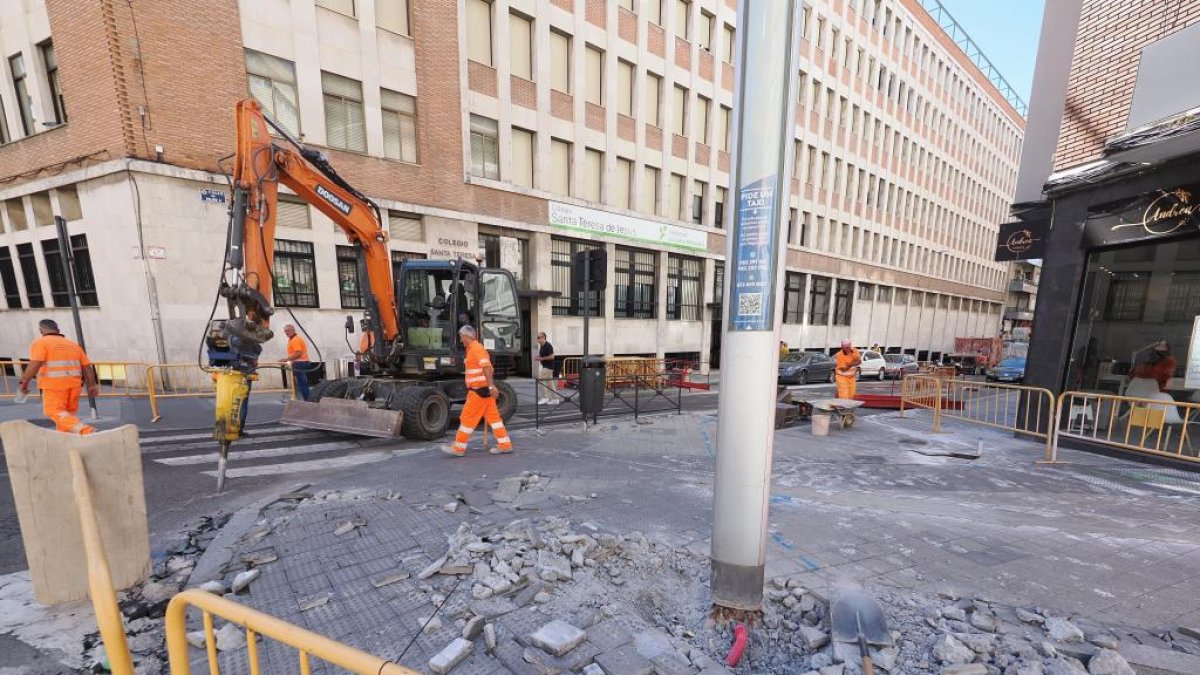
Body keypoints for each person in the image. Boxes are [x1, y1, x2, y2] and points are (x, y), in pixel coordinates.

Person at [18, 319, 97, 435]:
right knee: (65, 416)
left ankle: (87, 431)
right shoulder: (73, 345)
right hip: (74, 387)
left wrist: (24, 383)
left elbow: (35, 364)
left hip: (54, 386)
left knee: (53, 411)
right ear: (58, 330)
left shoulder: (41, 343)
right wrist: (92, 386)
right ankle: (66, 440)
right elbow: (87, 368)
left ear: (41, 330)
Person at [445, 325, 512, 456]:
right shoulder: (473, 349)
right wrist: (490, 387)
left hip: (478, 392)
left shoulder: (476, 349)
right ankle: (505, 445)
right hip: (483, 391)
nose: (460, 340)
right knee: (494, 419)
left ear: (467, 336)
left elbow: (486, 367)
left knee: (467, 418)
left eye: (461, 337)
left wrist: (491, 386)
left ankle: (458, 448)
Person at [283, 325, 311, 401]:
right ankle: (303, 399)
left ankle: (307, 400)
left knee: (302, 384)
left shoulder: (295, 340)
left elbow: (298, 353)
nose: (286, 332)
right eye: (285, 331)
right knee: (299, 383)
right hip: (298, 363)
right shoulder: (292, 340)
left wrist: (285, 359)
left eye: (288, 330)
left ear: (293, 330)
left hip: (300, 364)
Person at [534, 332, 558, 404]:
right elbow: (543, 355)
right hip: (546, 367)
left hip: (548, 367)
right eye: (537, 337)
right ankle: (555, 399)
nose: (537, 339)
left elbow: (552, 357)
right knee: (550, 384)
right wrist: (539, 357)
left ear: (543, 337)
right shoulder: (542, 345)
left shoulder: (548, 346)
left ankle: (545, 397)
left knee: (540, 380)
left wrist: (541, 358)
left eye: (539, 337)